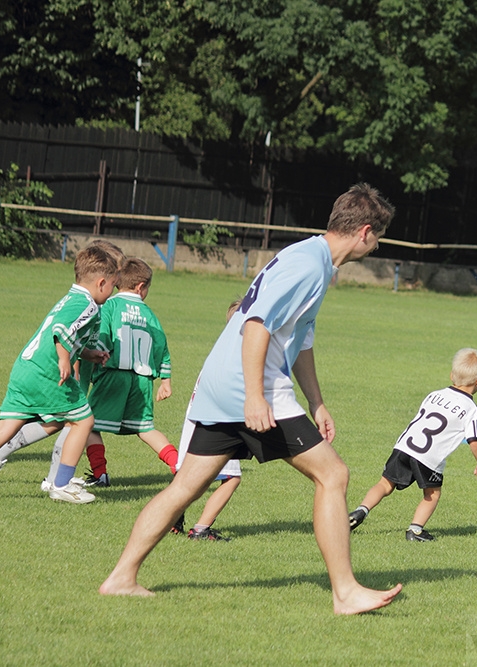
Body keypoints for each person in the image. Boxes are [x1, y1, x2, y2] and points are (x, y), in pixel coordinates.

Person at [100, 183, 403, 615]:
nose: (376, 247)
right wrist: (256, 398)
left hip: (222, 384)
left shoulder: (312, 260)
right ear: (365, 232)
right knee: (333, 475)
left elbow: (300, 340)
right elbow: (257, 326)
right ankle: (345, 592)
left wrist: (317, 402)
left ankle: (120, 578)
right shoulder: (307, 265)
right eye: (379, 238)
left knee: (185, 486)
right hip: (250, 386)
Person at [0, 244, 118, 503]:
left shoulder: (70, 297)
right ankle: (61, 485)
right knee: (83, 421)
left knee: (5, 428)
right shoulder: (88, 305)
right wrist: (63, 359)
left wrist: (89, 354)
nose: (113, 291)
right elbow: (61, 330)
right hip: (47, 373)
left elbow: (63, 334)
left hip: (25, 367)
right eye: (113, 286)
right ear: (102, 282)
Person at [348, 348, 477, 542]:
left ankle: (360, 511)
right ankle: (415, 530)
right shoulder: (471, 409)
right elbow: (475, 442)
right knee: (432, 493)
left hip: (404, 446)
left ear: (452, 375)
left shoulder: (434, 394)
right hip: (428, 456)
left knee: (385, 484)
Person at [79, 256, 175, 485]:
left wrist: (92, 364)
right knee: (146, 428)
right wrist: (165, 381)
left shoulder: (110, 306)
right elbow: (161, 346)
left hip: (114, 375)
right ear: (141, 287)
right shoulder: (150, 314)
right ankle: (178, 465)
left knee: (87, 424)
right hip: (142, 381)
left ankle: (100, 474)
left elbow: (101, 339)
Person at [171, 298, 245, 541]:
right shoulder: (240, 354)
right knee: (231, 478)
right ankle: (201, 528)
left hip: (195, 416)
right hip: (218, 420)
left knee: (188, 474)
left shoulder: (218, 351)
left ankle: (173, 517)